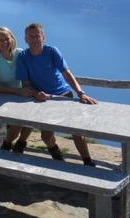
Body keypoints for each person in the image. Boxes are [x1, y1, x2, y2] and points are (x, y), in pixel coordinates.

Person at [16, 23, 97, 166]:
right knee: (46, 135)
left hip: (63, 96)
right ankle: (58, 158)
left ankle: (88, 162)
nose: (35, 39)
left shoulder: (52, 51)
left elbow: (67, 73)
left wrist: (80, 93)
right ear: (25, 39)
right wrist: (36, 94)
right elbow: (26, 83)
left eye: (37, 36)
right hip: (43, 100)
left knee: (76, 131)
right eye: (31, 36)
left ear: (43, 37)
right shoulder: (23, 57)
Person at [0, 26, 33, 152]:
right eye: (0, 40)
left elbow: (26, 77)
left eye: (7, 38)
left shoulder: (20, 53)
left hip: (19, 96)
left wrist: (28, 90)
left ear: (12, 39)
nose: (4, 42)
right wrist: (19, 91)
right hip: (2, 98)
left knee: (33, 117)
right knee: (18, 123)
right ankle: (7, 146)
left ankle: (20, 143)